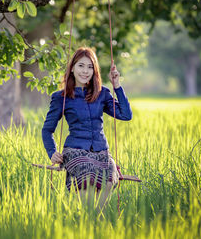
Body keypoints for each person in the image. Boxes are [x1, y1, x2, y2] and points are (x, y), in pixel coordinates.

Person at [41, 47, 133, 210]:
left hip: (101, 152)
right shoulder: (61, 97)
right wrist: (52, 152)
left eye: (90, 67)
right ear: (72, 68)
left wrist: (117, 85)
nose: (85, 71)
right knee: (86, 179)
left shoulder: (102, 93)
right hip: (75, 151)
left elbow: (125, 115)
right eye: (81, 66)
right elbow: (47, 130)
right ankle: (91, 219)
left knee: (110, 179)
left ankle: (94, 220)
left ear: (95, 70)